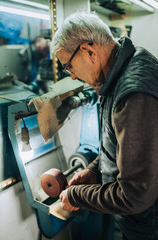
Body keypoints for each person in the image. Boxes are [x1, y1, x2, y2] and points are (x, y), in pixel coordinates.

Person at [51, 12, 158, 240]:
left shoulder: (133, 94)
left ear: (89, 51)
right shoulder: (120, 71)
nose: (71, 76)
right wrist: (94, 171)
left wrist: (78, 196)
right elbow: (122, 144)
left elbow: (135, 195)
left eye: (69, 66)